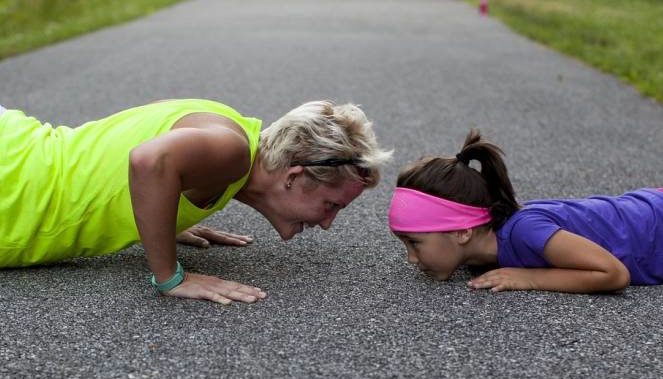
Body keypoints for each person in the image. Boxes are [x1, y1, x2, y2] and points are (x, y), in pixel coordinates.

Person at [0, 99, 392, 304]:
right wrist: (171, 276)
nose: (327, 223)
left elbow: (131, 158)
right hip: (13, 186)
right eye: (331, 205)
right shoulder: (232, 151)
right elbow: (149, 161)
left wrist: (163, 215)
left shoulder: (233, 135)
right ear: (294, 177)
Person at [388, 129, 663, 294]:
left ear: (462, 231)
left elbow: (613, 274)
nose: (412, 258)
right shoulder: (484, 252)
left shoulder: (525, 231)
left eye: (415, 243)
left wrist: (531, 278)